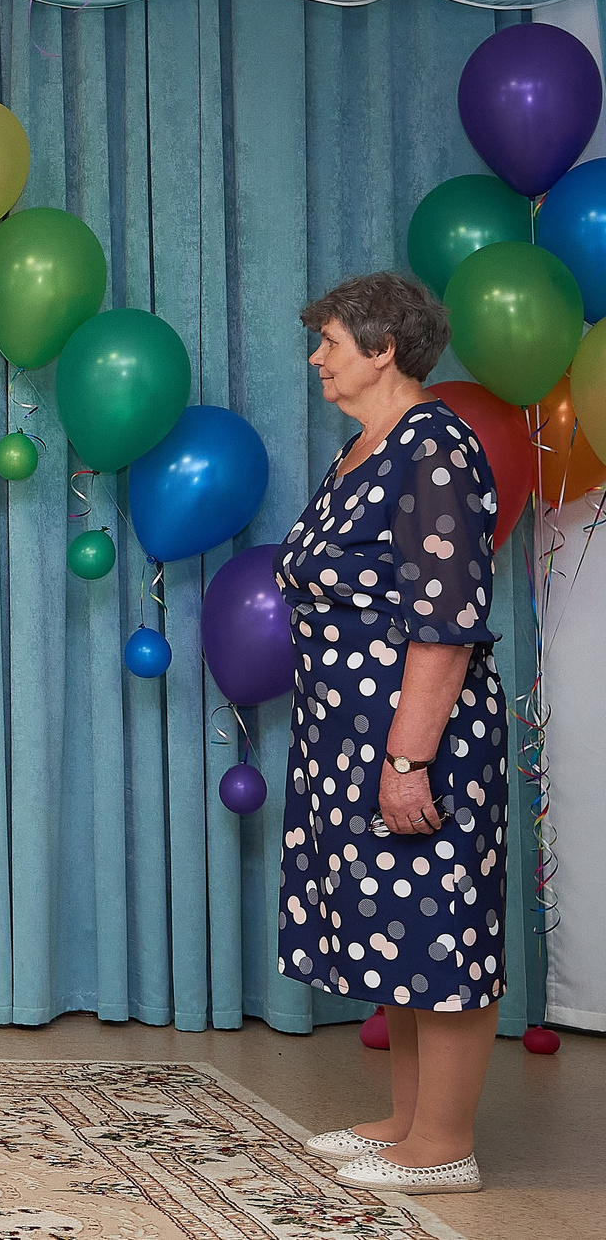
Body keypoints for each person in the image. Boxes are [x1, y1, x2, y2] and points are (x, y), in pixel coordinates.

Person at [278, 273, 506, 1196]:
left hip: (416, 733)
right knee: (398, 925)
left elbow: (446, 621)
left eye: (330, 340)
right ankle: (410, 1123)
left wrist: (408, 758)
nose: (316, 357)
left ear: (383, 349)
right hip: (347, 732)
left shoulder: (435, 446)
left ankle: (446, 1143)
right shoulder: (363, 447)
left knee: (439, 925)